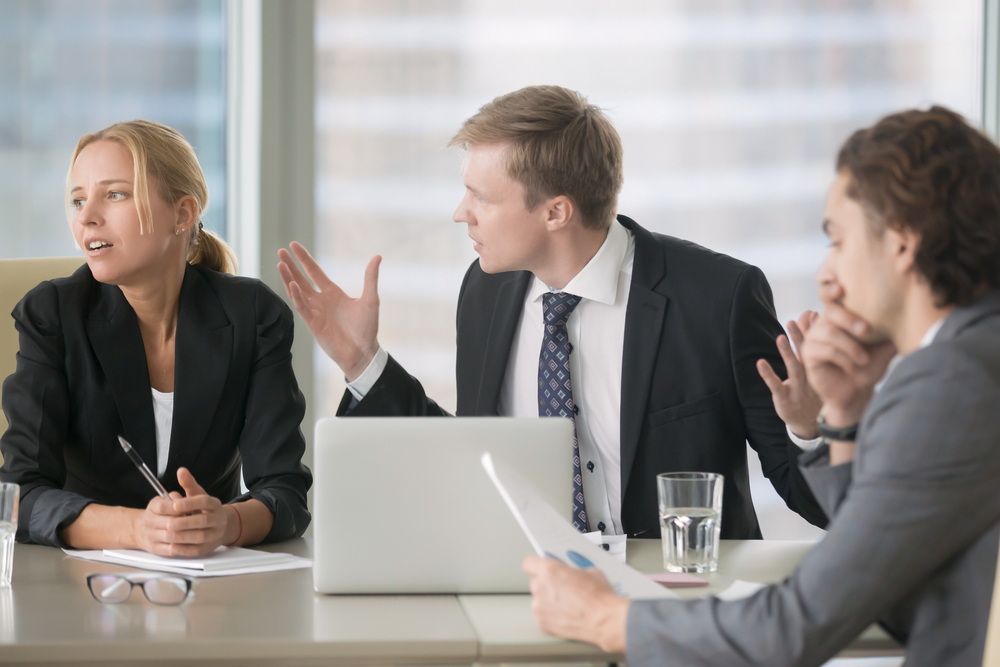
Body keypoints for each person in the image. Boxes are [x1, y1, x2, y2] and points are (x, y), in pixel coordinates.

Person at [521, 106, 1000, 667]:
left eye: (838, 241)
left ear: (902, 245)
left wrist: (606, 618)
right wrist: (844, 417)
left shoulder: (950, 385)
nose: (827, 275)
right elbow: (880, 578)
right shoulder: (972, 358)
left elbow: (796, 627)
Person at [278, 85, 826, 540]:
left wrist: (809, 428)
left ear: (556, 212)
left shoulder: (719, 297)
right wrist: (363, 361)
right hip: (530, 602)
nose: (459, 213)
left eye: (482, 198)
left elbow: (814, 496)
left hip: (678, 614)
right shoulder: (485, 291)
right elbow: (476, 460)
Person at [0, 120, 312, 555]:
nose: (87, 217)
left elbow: (285, 492)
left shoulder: (252, 316)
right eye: (77, 200)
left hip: (208, 590)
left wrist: (226, 523)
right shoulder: (52, 314)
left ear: (182, 214)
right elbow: (19, 495)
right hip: (77, 589)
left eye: (114, 194)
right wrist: (135, 530)